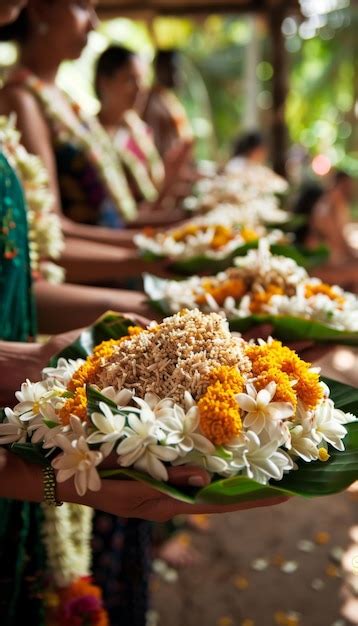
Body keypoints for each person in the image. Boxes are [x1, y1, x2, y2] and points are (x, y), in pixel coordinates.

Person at [95, 44, 192, 211]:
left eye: (142, 79)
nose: (141, 88)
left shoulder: (139, 131)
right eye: (130, 80)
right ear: (104, 82)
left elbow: (155, 194)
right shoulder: (91, 138)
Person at [142, 49, 194, 160]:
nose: (177, 74)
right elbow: (154, 148)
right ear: (159, 69)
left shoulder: (168, 98)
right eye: (173, 68)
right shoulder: (152, 101)